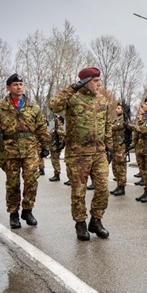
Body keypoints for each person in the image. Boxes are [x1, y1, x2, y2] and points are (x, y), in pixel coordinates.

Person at [0, 73, 51, 229]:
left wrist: (45, 146)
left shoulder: (33, 107)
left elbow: (42, 128)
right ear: (8, 87)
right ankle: (13, 214)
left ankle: (28, 210)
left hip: (30, 149)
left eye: (21, 84)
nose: (19, 87)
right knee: (13, 183)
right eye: (15, 84)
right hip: (10, 150)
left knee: (31, 180)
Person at [48, 67, 113, 241]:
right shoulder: (73, 98)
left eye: (99, 80)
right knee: (78, 191)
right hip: (77, 154)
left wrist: (109, 147)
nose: (99, 84)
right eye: (95, 81)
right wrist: (72, 88)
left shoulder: (102, 100)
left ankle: (96, 220)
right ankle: (80, 223)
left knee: (103, 190)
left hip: (99, 153)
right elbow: (53, 105)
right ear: (85, 82)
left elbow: (107, 125)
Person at [110, 103, 127, 196]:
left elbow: (118, 127)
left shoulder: (124, 120)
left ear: (123, 110)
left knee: (120, 167)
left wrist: (108, 127)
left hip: (121, 146)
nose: (116, 110)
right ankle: (118, 185)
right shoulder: (115, 120)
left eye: (118, 108)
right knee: (115, 166)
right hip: (115, 145)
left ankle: (122, 187)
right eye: (116, 108)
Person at [48, 115, 65, 182]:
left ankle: (57, 175)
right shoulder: (54, 128)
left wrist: (57, 131)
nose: (56, 121)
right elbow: (50, 134)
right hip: (52, 146)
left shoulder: (60, 128)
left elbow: (63, 134)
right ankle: (56, 174)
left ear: (60, 121)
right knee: (53, 161)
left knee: (56, 161)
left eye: (57, 120)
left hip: (56, 147)